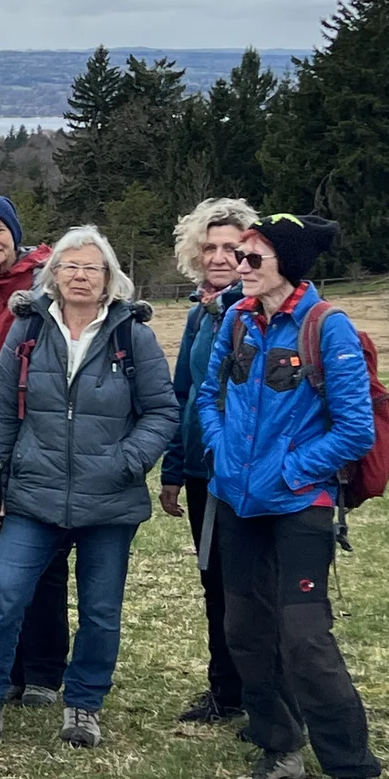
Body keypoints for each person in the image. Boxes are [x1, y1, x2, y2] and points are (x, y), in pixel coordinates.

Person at [0, 225, 176, 751]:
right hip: (33, 495)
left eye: (92, 268)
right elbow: (0, 410)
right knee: (3, 594)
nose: (80, 276)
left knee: (100, 609)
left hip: (109, 500)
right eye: (70, 267)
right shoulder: (28, 331)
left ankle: (84, 706)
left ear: (110, 278)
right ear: (53, 275)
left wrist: (126, 461)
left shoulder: (133, 336)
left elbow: (161, 412)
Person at [198, 213, 383, 779]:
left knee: (305, 638)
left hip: (300, 506)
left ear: (287, 266)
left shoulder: (326, 327)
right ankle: (279, 750)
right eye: (238, 255)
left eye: (252, 258)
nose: (238, 267)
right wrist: (221, 450)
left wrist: (293, 469)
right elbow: (207, 392)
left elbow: (355, 429)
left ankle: (355, 774)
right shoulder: (236, 318)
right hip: (237, 501)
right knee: (245, 628)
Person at [0, 194, 65, 708]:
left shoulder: (47, 284)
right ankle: (12, 668)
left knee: (41, 559)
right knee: (2, 559)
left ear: (15, 233)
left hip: (42, 441)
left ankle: (43, 672)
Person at [157, 196, 258, 725]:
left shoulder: (256, 311)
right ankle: (226, 690)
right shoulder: (202, 311)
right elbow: (184, 394)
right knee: (214, 581)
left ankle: (262, 694)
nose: (220, 257)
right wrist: (174, 468)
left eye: (232, 247)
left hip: (246, 473)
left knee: (249, 585)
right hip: (202, 472)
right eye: (211, 246)